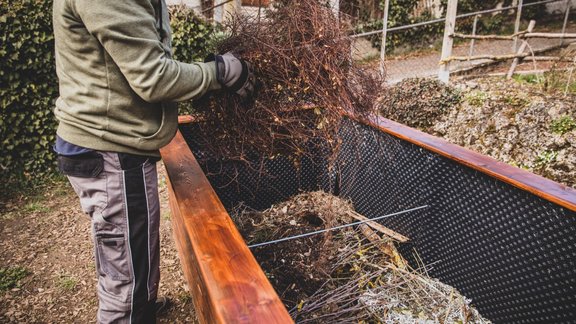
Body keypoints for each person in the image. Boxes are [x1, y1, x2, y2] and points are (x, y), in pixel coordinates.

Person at [52, 0, 254, 322]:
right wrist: (221, 72)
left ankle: (139, 305)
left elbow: (141, 61)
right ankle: (130, 311)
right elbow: (154, 78)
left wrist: (200, 78)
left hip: (111, 142)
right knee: (126, 274)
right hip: (112, 149)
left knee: (132, 250)